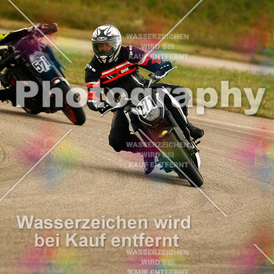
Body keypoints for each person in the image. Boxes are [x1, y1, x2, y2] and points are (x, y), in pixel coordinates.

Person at [85, 24, 204, 175]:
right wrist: (99, 104)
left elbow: (154, 63)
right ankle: (146, 151)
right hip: (124, 105)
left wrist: (162, 67)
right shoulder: (92, 69)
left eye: (107, 46)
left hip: (146, 89)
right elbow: (93, 95)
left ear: (116, 44)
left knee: (181, 92)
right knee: (116, 140)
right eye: (99, 47)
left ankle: (187, 126)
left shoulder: (129, 52)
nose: (103, 50)